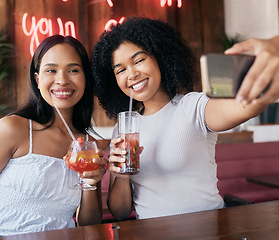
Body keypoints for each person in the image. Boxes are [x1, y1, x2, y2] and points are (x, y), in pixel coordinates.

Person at [91, 16, 279, 220]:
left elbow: (245, 106)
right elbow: (120, 212)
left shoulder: (193, 107)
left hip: (205, 230)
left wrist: (273, 58)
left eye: (139, 60)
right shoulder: (123, 129)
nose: (132, 74)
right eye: (121, 70)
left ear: (159, 58)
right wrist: (120, 176)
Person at [0, 35, 106, 236]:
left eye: (73, 70)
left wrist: (91, 184)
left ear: (85, 78)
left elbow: (89, 223)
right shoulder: (12, 128)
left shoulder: (87, 146)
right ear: (38, 79)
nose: (62, 80)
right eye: (51, 70)